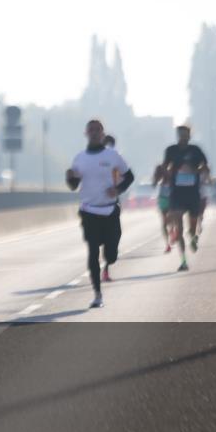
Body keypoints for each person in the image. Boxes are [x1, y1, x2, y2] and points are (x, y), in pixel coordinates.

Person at [66, 119, 135, 308]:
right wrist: (69, 178)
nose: (95, 133)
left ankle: (110, 258)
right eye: (92, 130)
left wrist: (118, 189)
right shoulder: (80, 158)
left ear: (103, 133)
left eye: (98, 130)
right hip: (89, 211)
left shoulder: (113, 155)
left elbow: (129, 176)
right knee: (92, 251)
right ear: (86, 133)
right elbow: (73, 186)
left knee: (111, 255)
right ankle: (97, 294)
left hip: (110, 210)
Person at [161, 124, 210, 271]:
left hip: (192, 193)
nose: (183, 137)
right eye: (181, 134)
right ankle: (183, 261)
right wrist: (170, 172)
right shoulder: (171, 150)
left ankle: (194, 238)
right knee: (179, 228)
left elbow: (206, 167)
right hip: (177, 193)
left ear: (189, 135)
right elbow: (164, 167)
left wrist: (194, 170)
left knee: (191, 229)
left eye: (185, 135)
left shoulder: (196, 150)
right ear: (178, 135)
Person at [154, 164, 174, 253]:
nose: (167, 172)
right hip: (162, 199)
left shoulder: (173, 178)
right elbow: (154, 183)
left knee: (170, 220)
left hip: (171, 200)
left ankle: (172, 231)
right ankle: (167, 244)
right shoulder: (160, 179)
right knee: (164, 223)